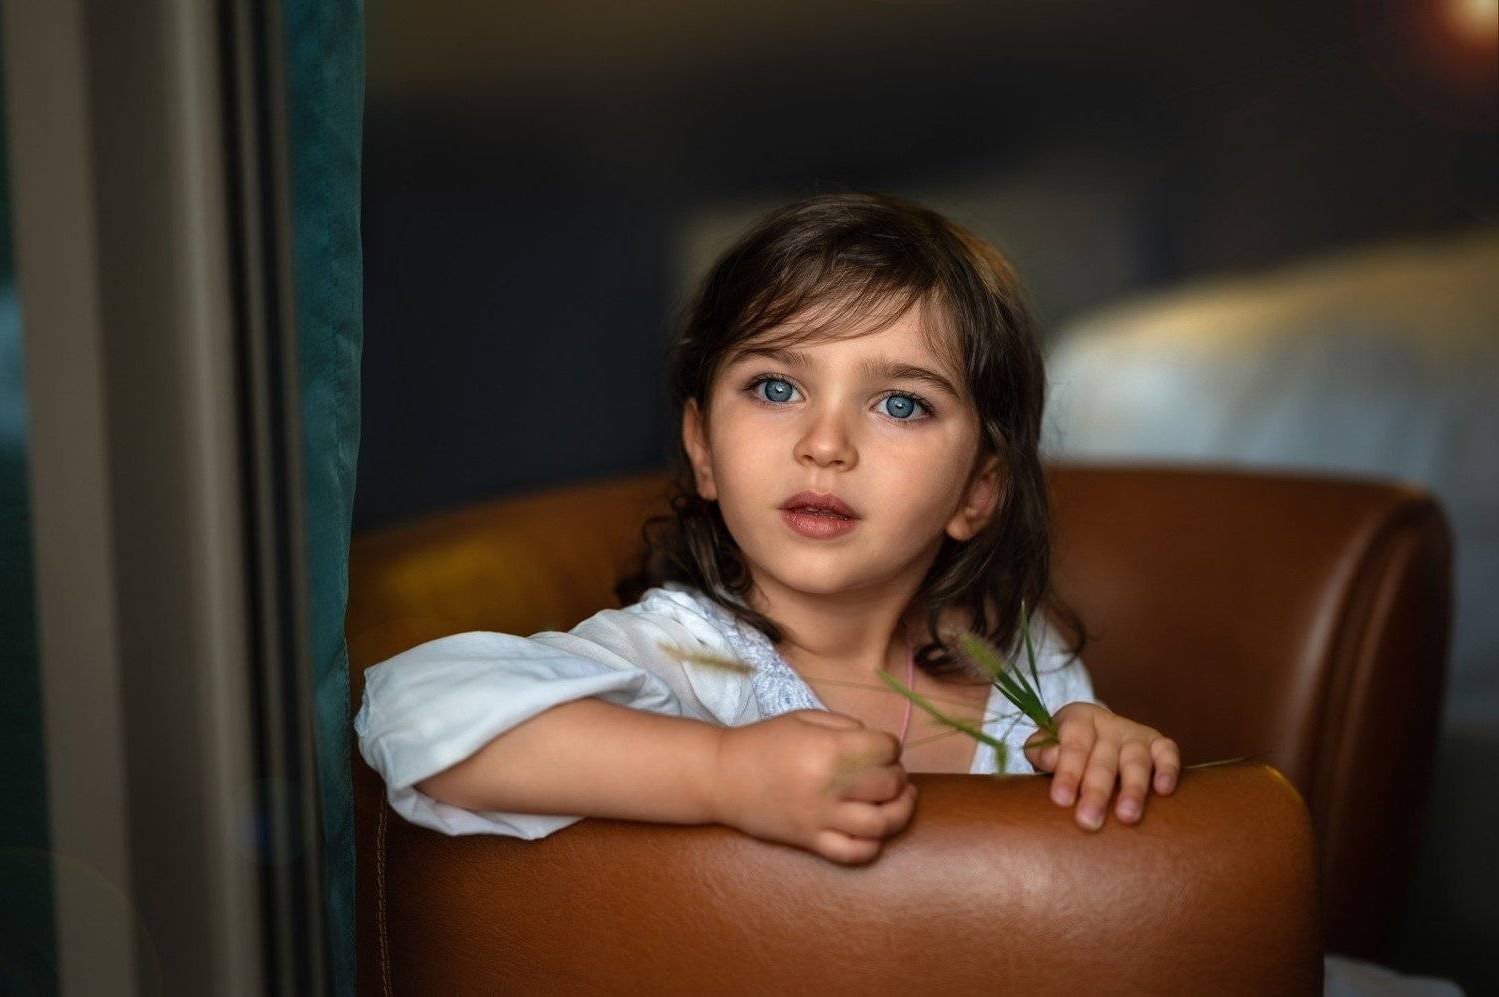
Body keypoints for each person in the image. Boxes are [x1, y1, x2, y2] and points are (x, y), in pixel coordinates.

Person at [355, 191, 1181, 866]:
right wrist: (723, 774)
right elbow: (410, 713)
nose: (825, 444)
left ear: (977, 489)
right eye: (776, 388)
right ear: (703, 448)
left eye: (901, 403)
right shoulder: (680, 659)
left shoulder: (1020, 658)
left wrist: (1102, 755)